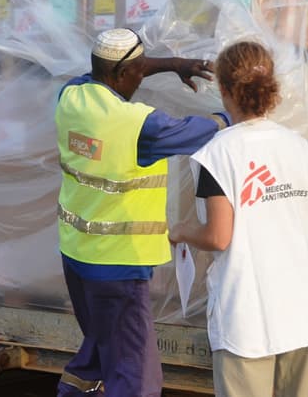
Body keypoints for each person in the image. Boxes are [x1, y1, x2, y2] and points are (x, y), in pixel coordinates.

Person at [54, 28, 229, 397]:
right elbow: (199, 131)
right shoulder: (139, 127)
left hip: (77, 258)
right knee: (136, 377)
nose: (142, 76)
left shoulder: (71, 95)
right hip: (118, 270)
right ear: (120, 75)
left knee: (98, 355)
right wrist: (234, 111)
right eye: (139, 71)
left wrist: (172, 65)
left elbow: (123, 69)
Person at [168, 40, 308, 397]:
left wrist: (179, 231)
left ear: (223, 90)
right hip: (302, 311)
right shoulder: (300, 147)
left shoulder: (218, 153)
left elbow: (218, 236)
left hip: (247, 316)